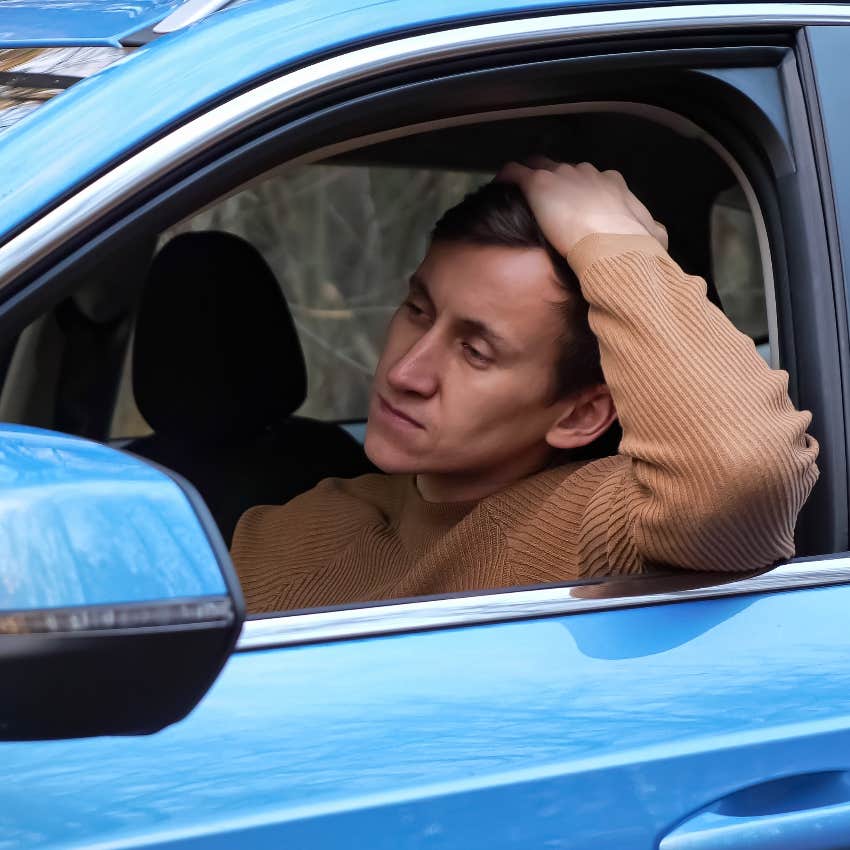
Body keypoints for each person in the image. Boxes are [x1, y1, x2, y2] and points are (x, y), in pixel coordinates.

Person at [231, 160, 819, 614]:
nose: (406, 372)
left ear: (579, 415)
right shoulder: (296, 527)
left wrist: (610, 237)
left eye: (476, 351)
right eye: (417, 308)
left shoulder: (587, 532)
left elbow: (742, 472)